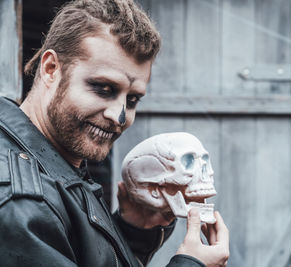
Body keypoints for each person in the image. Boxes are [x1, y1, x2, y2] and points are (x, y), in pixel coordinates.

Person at [0, 0, 229, 266]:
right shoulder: (22, 202)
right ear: (51, 69)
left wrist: (135, 230)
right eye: (103, 89)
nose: (119, 116)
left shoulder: (57, 161)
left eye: (132, 100)